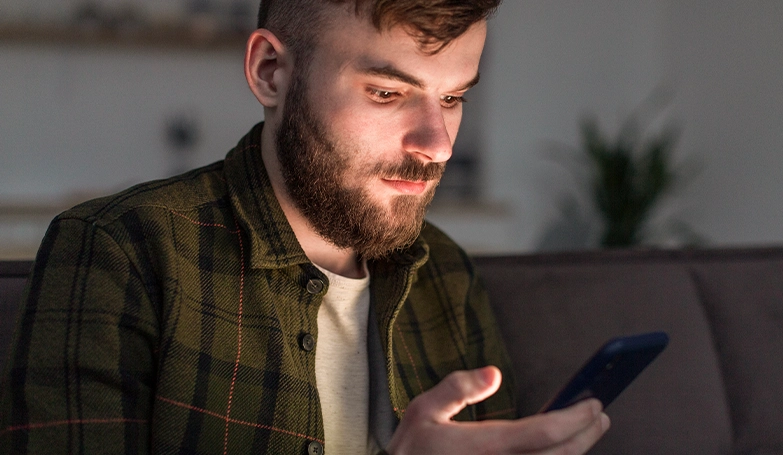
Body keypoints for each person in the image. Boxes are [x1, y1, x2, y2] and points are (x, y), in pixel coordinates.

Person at [0, 0, 610, 453]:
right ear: (270, 71)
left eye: (452, 99)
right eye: (387, 92)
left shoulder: (446, 273)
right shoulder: (120, 250)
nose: (438, 145)